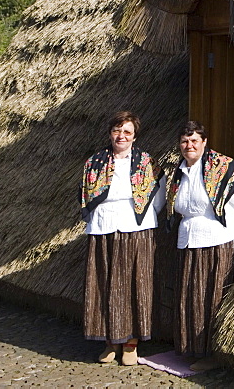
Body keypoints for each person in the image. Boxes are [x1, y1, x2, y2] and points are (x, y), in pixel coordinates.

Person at [167, 120, 234, 371]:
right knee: (190, 296)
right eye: (184, 141)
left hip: (218, 240)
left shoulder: (223, 168)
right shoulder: (179, 172)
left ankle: (213, 354)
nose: (189, 145)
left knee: (212, 296)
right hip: (188, 241)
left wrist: (232, 229)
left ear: (204, 142)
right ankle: (191, 349)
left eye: (194, 140)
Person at [80, 110, 165, 366]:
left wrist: (141, 216)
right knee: (104, 284)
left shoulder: (147, 162)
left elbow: (157, 196)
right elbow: (86, 195)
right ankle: (110, 343)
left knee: (135, 283)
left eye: (127, 132)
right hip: (104, 226)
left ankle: (131, 344)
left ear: (134, 136)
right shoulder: (94, 162)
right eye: (117, 130)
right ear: (110, 133)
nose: (122, 136)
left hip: (136, 226)